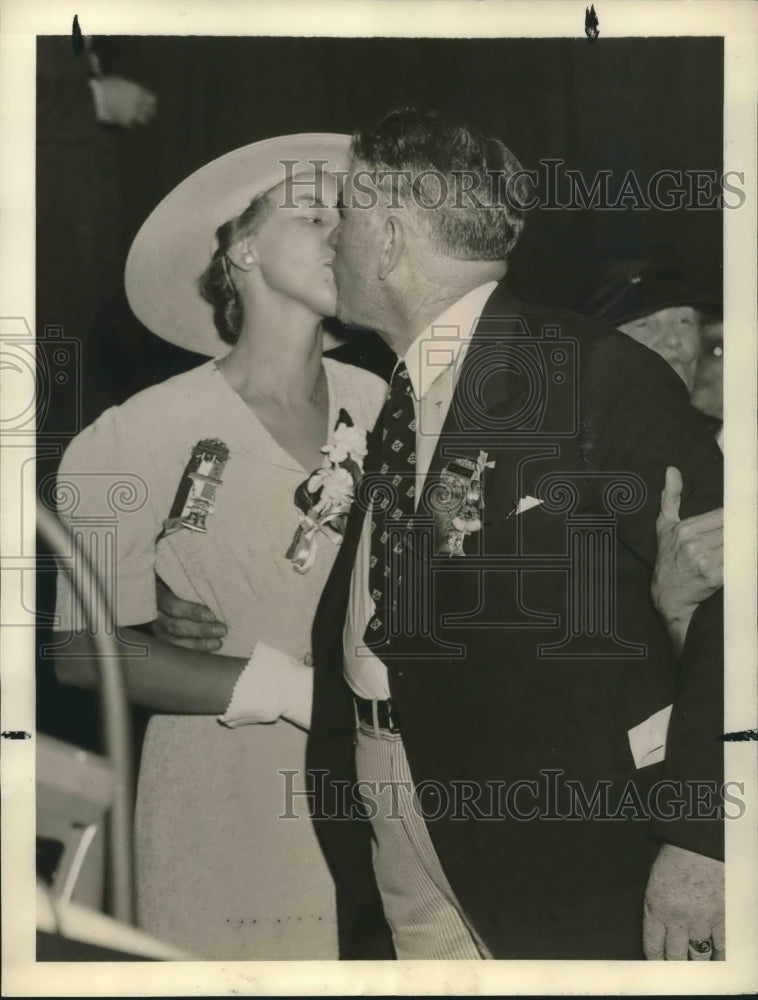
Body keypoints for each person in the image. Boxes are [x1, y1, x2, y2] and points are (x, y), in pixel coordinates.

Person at [303, 109, 725, 960]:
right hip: (399, 804)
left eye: (341, 215)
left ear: (387, 235)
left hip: (551, 849)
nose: (330, 242)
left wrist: (703, 835)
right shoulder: (401, 397)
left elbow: (735, 594)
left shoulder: (593, 374)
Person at [52, 134, 387, 959]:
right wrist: (297, 693)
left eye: (348, 215)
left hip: (381, 796)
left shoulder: (383, 404)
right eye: (314, 215)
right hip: (226, 800)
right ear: (241, 251)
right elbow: (84, 654)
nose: (341, 233)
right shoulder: (135, 433)